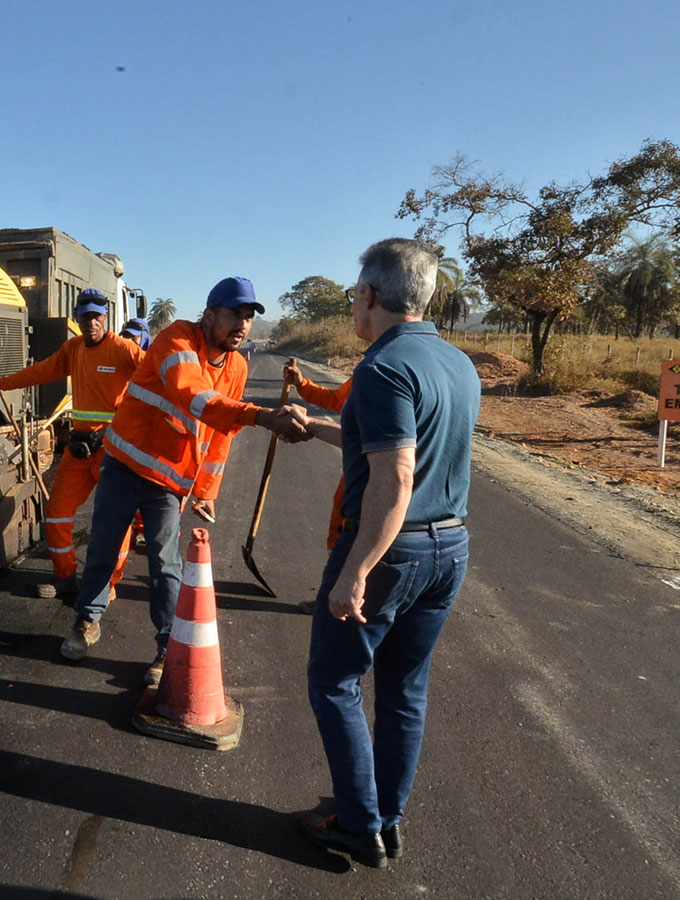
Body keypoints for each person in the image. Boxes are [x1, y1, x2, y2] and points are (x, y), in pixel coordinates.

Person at [292, 239, 480, 869]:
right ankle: (386, 817)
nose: (353, 303)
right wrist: (312, 424)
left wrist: (356, 572)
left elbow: (395, 479)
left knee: (334, 681)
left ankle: (359, 825)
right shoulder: (457, 363)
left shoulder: (381, 367)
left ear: (370, 295)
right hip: (449, 545)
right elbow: (398, 451)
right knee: (404, 690)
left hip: (392, 552)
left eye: (354, 293)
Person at [58, 276, 309, 685]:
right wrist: (261, 416)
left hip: (167, 482)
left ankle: (166, 647)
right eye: (234, 314)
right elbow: (193, 394)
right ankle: (87, 620)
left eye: (248, 317)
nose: (242, 325)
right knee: (104, 545)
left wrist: (207, 491)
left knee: (165, 563)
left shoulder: (238, 366)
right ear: (209, 314)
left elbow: (219, 436)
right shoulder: (177, 340)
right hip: (123, 465)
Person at [0, 288, 144, 598]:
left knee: (116, 522)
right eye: (85, 316)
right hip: (79, 448)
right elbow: (40, 371)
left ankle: (108, 584)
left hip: (112, 451)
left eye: (97, 316)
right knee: (57, 514)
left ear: (106, 317)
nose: (91, 322)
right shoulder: (73, 350)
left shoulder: (124, 350)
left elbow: (157, 376)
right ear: (77, 318)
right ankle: (66, 577)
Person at [283, 358, 355, 614]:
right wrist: (302, 383)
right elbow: (336, 400)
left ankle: (341, 604)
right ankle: (331, 595)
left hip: (374, 479)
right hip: (354, 476)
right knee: (339, 535)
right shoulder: (367, 371)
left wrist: (310, 425)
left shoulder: (383, 370)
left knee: (355, 539)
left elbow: (366, 441)